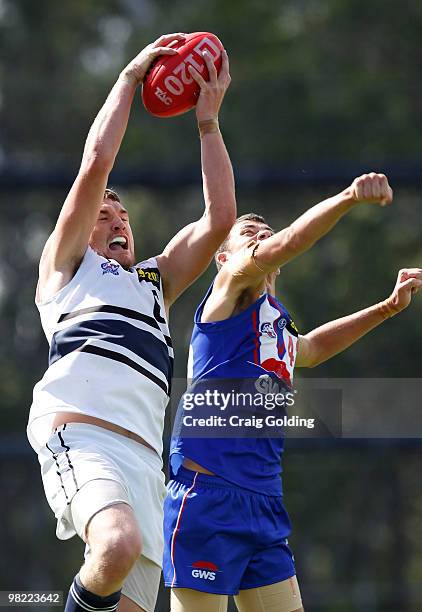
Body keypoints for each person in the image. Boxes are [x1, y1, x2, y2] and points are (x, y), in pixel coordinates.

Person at [27, 34, 235, 612]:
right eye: (104, 214)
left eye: (124, 215)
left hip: (147, 462)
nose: (118, 220)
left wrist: (208, 126)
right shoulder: (66, 266)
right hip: (82, 434)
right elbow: (97, 161)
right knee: (115, 546)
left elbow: (220, 220)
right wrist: (128, 79)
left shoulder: (153, 282)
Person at [163, 173, 422, 612]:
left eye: (266, 234)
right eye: (249, 235)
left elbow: (313, 349)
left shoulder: (276, 318)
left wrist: (388, 307)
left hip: (262, 503)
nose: (262, 239)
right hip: (208, 498)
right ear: (222, 258)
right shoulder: (227, 293)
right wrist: (346, 197)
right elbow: (287, 244)